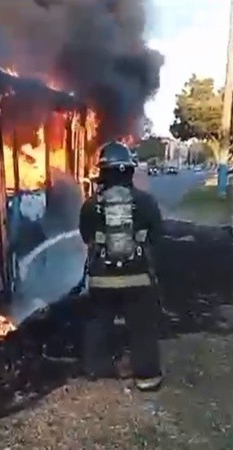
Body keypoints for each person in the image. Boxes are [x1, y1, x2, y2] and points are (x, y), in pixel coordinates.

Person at [78, 140, 163, 391]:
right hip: (138, 277)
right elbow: (158, 235)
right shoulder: (146, 201)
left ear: (103, 172)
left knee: (98, 322)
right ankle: (147, 379)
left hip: (101, 279)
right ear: (129, 170)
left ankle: (95, 368)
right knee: (142, 327)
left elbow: (86, 236)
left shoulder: (91, 205)